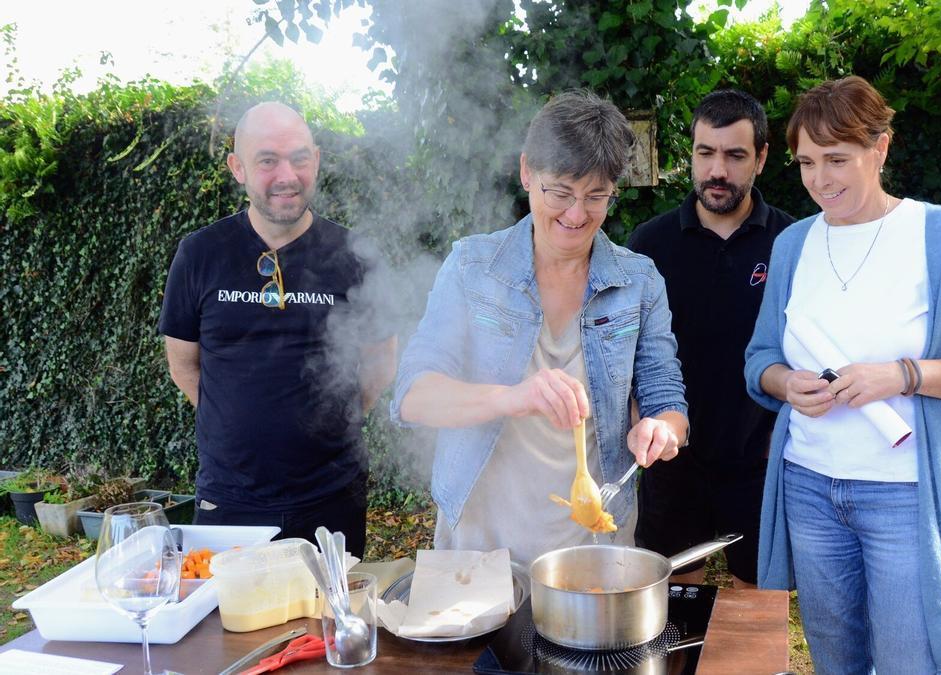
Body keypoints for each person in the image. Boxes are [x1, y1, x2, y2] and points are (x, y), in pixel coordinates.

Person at [744, 76, 941, 672]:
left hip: (904, 496)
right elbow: (760, 358)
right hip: (810, 488)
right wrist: (784, 384)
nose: (821, 179)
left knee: (909, 661)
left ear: (882, 149)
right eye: (807, 163)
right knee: (835, 661)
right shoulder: (794, 245)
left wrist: (901, 375)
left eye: (837, 159)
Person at [391, 89, 689, 566]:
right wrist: (512, 397)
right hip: (478, 541)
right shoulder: (472, 267)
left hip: (595, 544)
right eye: (561, 193)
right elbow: (412, 396)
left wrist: (661, 428)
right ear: (527, 171)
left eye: (596, 197)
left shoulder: (640, 282)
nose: (576, 215)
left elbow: (666, 398)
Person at [159, 102, 397, 557]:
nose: (287, 175)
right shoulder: (200, 254)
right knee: (229, 627)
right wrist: (236, 424)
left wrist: (333, 420)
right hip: (229, 500)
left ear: (317, 160)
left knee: (327, 621)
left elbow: (382, 358)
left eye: (300, 158)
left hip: (332, 495)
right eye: (268, 160)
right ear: (238, 168)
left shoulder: (355, 255)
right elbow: (183, 365)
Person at [626, 89, 793, 588]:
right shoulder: (648, 243)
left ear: (760, 159)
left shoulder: (791, 242)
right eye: (706, 153)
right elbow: (629, 350)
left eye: (735, 155)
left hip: (761, 463)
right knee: (674, 610)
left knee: (759, 610)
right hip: (674, 460)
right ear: (692, 155)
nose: (717, 170)